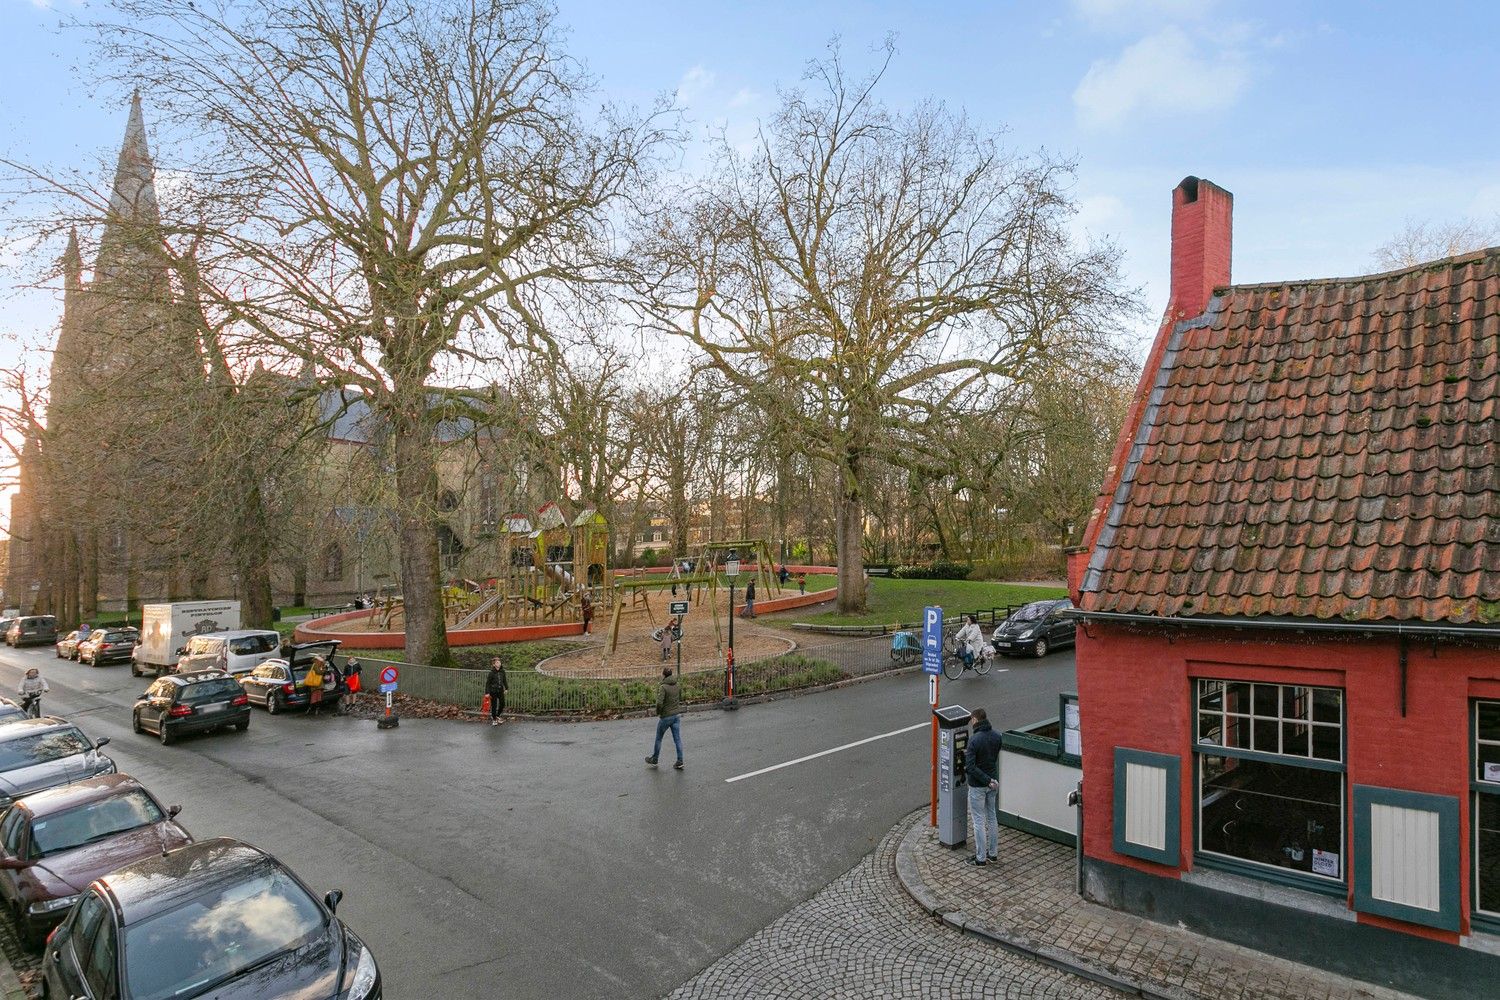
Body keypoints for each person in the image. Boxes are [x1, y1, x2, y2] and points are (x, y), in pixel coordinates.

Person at [964, 708, 1003, 867]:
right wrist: (990, 780)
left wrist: (985, 780)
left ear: (975, 720)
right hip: (993, 783)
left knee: (978, 821)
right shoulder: (997, 736)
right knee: (992, 818)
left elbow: (971, 767)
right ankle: (993, 854)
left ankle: (980, 858)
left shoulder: (974, 740)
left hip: (978, 786)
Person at [645, 665, 683, 770]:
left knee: (659, 738)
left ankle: (655, 759)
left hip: (666, 716)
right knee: (677, 739)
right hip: (676, 716)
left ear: (664, 675)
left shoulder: (663, 687)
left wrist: (659, 712)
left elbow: (659, 703)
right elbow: (680, 697)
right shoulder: (677, 685)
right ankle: (680, 760)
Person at [485, 657, 508, 725]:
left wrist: (506, 688)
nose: (499, 663)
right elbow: (488, 683)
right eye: (497, 662)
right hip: (493, 691)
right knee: (494, 706)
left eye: (500, 662)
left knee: (502, 704)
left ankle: (497, 716)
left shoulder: (502, 671)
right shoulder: (491, 673)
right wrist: (487, 693)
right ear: (494, 664)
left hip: (500, 690)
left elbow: (504, 680)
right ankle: (494, 719)